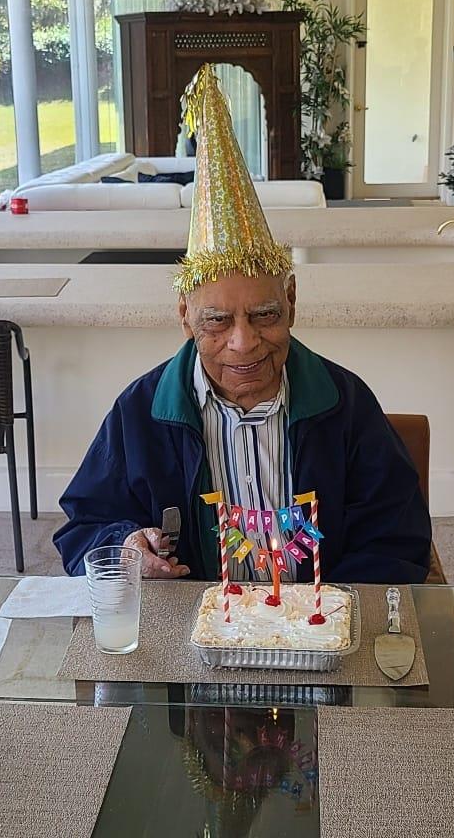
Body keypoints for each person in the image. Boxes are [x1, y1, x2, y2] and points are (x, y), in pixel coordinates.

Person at [53, 65, 431, 584]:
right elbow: (83, 529)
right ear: (184, 315)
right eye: (216, 320)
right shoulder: (140, 414)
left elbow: (397, 538)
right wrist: (124, 547)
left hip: (319, 631)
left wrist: (331, 614)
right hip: (195, 638)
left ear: (292, 302)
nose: (243, 342)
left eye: (265, 315)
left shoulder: (346, 405)